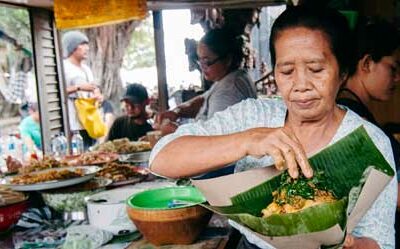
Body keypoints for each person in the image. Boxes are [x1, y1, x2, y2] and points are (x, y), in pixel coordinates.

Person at [150, 6, 397, 249]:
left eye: (316, 69)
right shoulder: (254, 115)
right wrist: (247, 140)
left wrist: (359, 245)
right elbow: (161, 158)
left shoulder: (370, 142)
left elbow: (381, 240)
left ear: (342, 72)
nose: (301, 84)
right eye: (287, 71)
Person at [336, 18, 400, 249]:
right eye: (392, 68)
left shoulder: (355, 112)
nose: (397, 78)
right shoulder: (353, 120)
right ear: (366, 63)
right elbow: (388, 190)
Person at [154, 28, 257, 134]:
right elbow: (203, 99)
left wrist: (175, 130)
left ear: (228, 59)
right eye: (200, 60)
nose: (202, 67)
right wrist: (177, 112)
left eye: (207, 62)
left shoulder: (229, 91)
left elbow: (215, 140)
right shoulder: (229, 78)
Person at [62, 31, 97, 149]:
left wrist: (97, 94)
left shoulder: (86, 69)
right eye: (82, 44)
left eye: (87, 45)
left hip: (89, 119)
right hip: (73, 120)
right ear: (72, 47)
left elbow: (93, 87)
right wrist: (79, 87)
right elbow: (59, 91)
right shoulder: (64, 67)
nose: (86, 48)